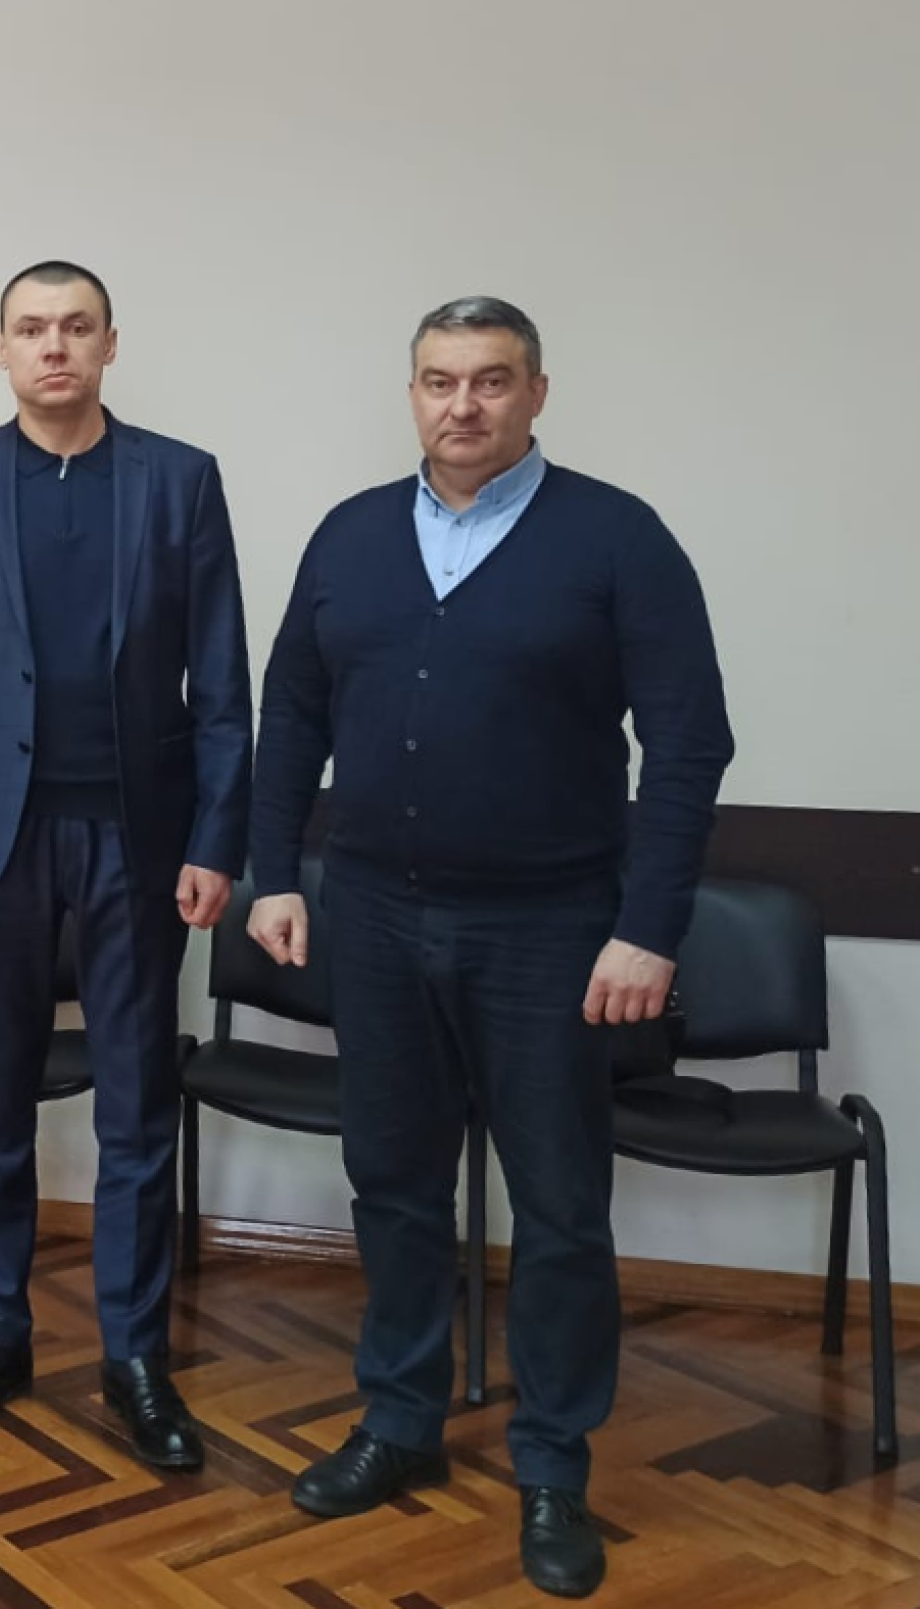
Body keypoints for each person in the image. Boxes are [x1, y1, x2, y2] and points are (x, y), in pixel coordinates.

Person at [247, 296, 733, 1598]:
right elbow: (291, 711)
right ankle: (400, 1417)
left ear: (537, 393)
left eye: (491, 380)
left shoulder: (616, 537)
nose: (462, 404)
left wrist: (647, 928)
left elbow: (690, 744)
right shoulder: (351, 535)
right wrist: (272, 872)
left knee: (561, 1207)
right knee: (393, 1181)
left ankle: (554, 1463)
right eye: (439, 380)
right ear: (412, 392)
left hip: (551, 929)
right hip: (373, 914)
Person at [0, 260, 252, 1471]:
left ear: (109, 345)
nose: (55, 346)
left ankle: (133, 1354)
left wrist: (216, 840)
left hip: (139, 840)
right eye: (32, 328)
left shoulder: (179, 480)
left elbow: (222, 682)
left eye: (76, 327)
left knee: (136, 1105)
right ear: (1, 350)